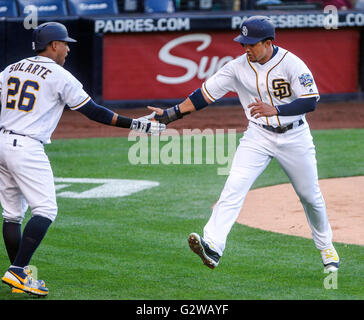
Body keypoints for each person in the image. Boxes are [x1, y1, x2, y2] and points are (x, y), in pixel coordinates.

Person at [148, 16, 340, 273]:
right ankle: (213, 246)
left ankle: (326, 246)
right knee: (234, 186)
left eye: (252, 44)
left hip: (295, 137)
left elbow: (311, 101)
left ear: (268, 42)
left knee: (310, 196)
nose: (246, 48)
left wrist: (276, 109)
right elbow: (204, 94)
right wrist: (171, 114)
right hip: (258, 136)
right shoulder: (237, 67)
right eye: (243, 43)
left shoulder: (293, 64)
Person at [0, 22, 165, 297]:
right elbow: (94, 112)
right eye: (65, 43)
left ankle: (21, 273)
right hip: (27, 147)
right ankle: (17, 271)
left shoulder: (12, 68)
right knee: (45, 210)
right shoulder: (59, 75)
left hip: (3, 142)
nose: (67, 49)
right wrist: (137, 125)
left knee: (12, 215)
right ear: (53, 46)